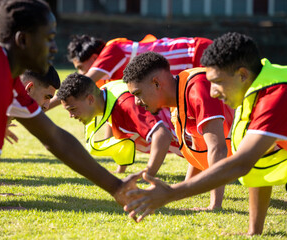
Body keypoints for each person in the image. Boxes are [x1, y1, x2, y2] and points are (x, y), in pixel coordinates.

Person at [0, 1, 140, 239]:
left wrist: (116, 187)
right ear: (23, 40)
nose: (54, 48)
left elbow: (55, 138)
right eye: (49, 38)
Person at [123, 32, 287, 235]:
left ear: (242, 75)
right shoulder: (257, 93)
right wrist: (254, 233)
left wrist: (171, 193)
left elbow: (241, 163)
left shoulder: (277, 93)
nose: (212, 92)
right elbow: (259, 168)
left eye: (217, 82)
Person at [122, 51, 234, 210]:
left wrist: (214, 205)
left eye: (138, 93)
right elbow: (200, 149)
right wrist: (180, 191)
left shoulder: (197, 86)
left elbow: (217, 148)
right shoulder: (180, 94)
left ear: (156, 83)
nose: (137, 102)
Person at [57, 73, 182, 175]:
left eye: (72, 109)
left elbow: (162, 135)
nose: (71, 116)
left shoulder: (126, 104)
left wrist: (148, 175)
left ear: (90, 99)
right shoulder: (106, 93)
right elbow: (126, 138)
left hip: (193, 136)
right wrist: (120, 171)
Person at [48, 34, 213, 109]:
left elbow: (83, 83)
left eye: (80, 68)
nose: (82, 73)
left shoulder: (112, 51)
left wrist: (46, 106)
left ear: (93, 58)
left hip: (197, 52)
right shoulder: (112, 75)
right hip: (193, 60)